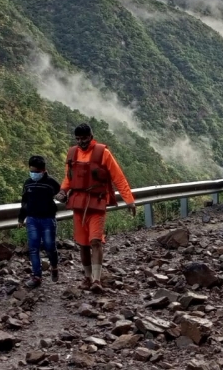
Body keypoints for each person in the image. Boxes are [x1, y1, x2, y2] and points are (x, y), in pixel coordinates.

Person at [57, 123, 136, 293]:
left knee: (95, 241)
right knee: (83, 244)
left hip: (97, 202)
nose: (81, 142)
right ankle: (87, 278)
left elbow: (118, 177)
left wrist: (129, 200)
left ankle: (97, 280)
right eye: (78, 139)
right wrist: (63, 191)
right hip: (78, 204)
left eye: (84, 138)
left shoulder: (103, 153)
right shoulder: (72, 153)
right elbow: (68, 179)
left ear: (91, 136)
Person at [18, 155, 61, 288]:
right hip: (32, 219)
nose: (34, 174)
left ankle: (54, 267)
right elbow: (24, 202)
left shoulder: (51, 183)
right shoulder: (28, 183)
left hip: (48, 219)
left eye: (36, 172)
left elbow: (62, 195)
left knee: (49, 246)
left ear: (43, 170)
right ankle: (37, 276)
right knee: (33, 248)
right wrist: (21, 218)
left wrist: (64, 197)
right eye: (31, 171)